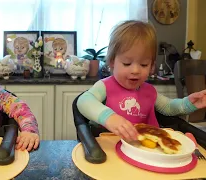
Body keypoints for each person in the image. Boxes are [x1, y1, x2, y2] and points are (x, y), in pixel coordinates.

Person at [77, 20, 206, 141]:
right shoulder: (105, 86)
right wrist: (109, 117)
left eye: (144, 64)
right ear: (112, 62)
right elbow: (83, 101)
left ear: (151, 66)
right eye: (127, 63)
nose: (135, 70)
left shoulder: (149, 91)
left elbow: (169, 107)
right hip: (110, 148)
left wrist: (189, 103)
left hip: (142, 149)